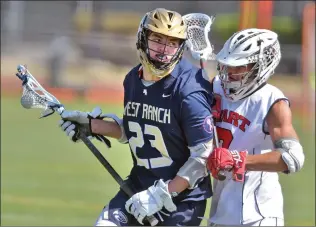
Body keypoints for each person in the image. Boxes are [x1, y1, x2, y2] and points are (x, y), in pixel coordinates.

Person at [58, 8, 215, 226]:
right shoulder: (133, 78)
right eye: (158, 40)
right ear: (142, 38)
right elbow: (137, 128)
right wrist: (92, 126)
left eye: (172, 42)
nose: (164, 50)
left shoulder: (189, 90)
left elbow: (204, 156)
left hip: (180, 200)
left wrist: (161, 194)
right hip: (139, 185)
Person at [206, 28, 305, 226]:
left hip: (258, 214)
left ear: (261, 66)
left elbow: (293, 158)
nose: (229, 72)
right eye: (227, 65)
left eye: (239, 66)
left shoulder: (272, 102)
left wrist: (238, 159)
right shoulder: (213, 88)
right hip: (220, 212)